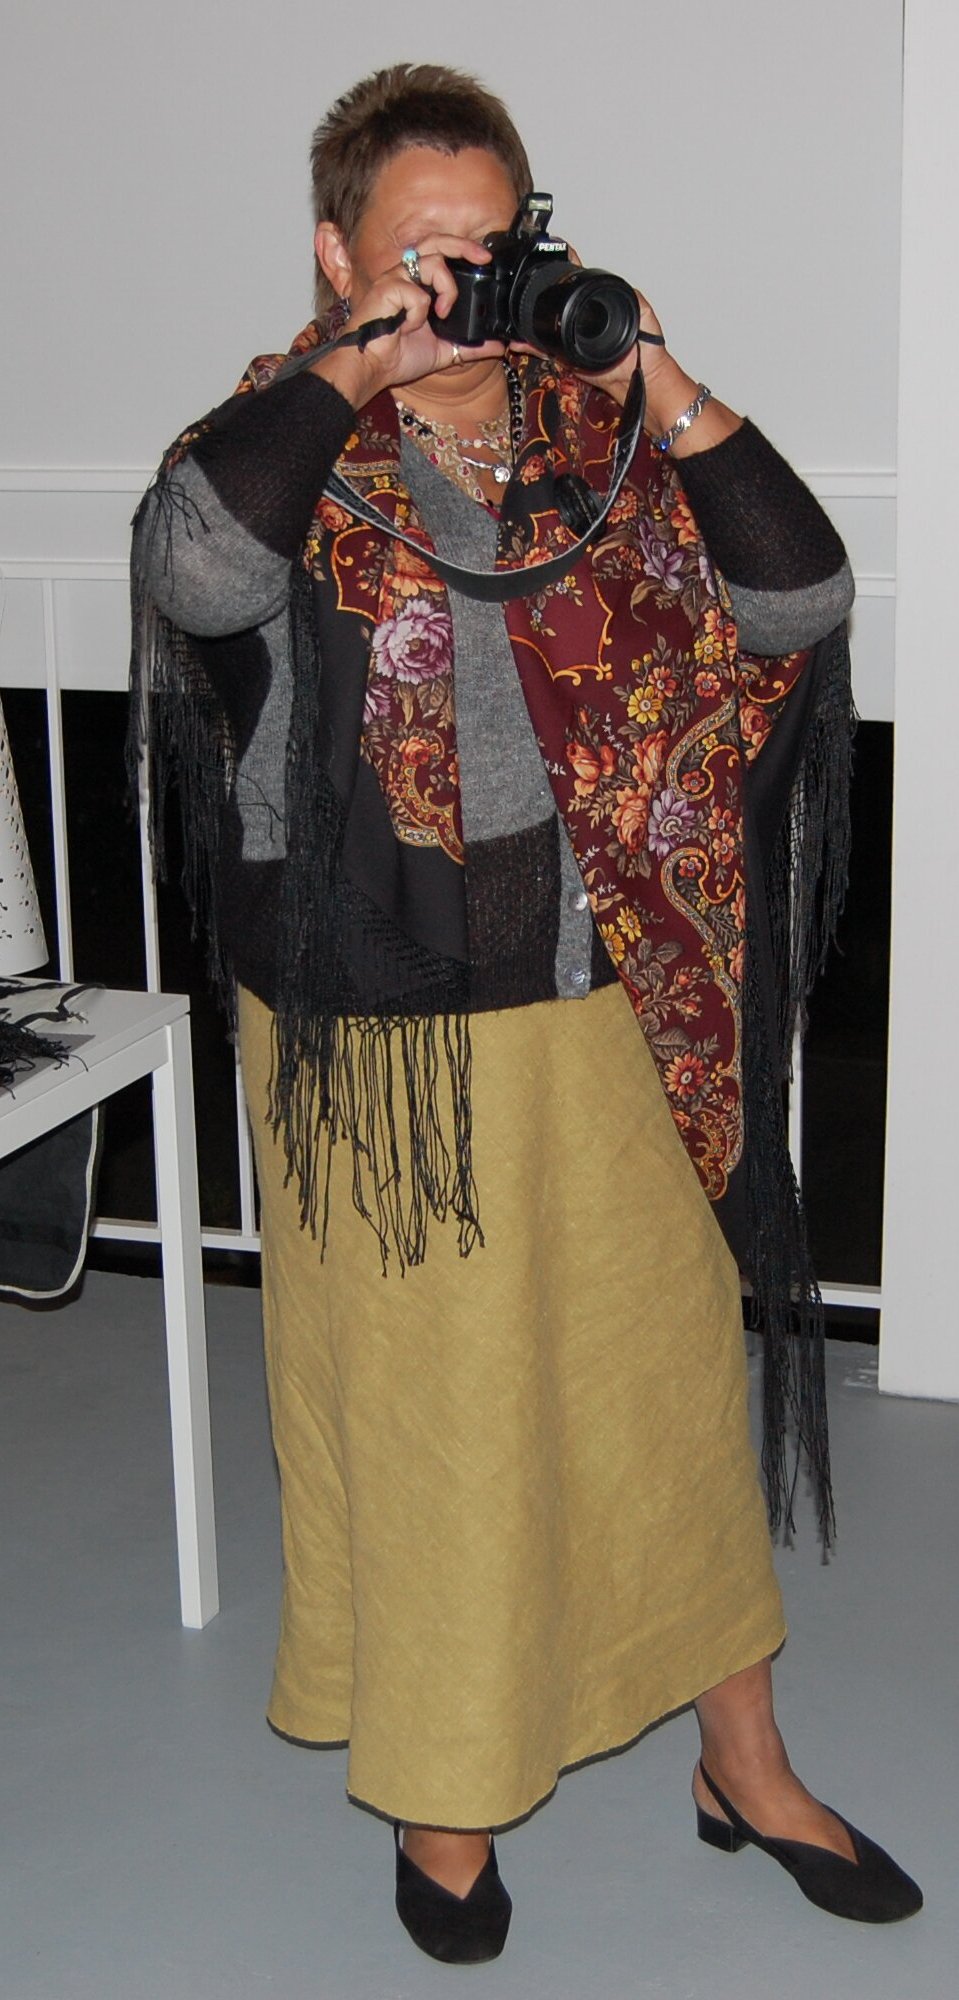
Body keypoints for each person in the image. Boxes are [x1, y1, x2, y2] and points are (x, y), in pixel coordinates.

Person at [129, 63, 922, 1963]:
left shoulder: (603, 444)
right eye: (423, 249)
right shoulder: (281, 444)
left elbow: (800, 597)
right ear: (335, 254)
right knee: (446, 1433)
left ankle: (742, 1758)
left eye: (496, 244)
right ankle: (449, 1789)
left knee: (665, 1401)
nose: (467, 283)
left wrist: (651, 368)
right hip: (388, 1037)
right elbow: (192, 574)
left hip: (609, 999)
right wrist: (360, 364)